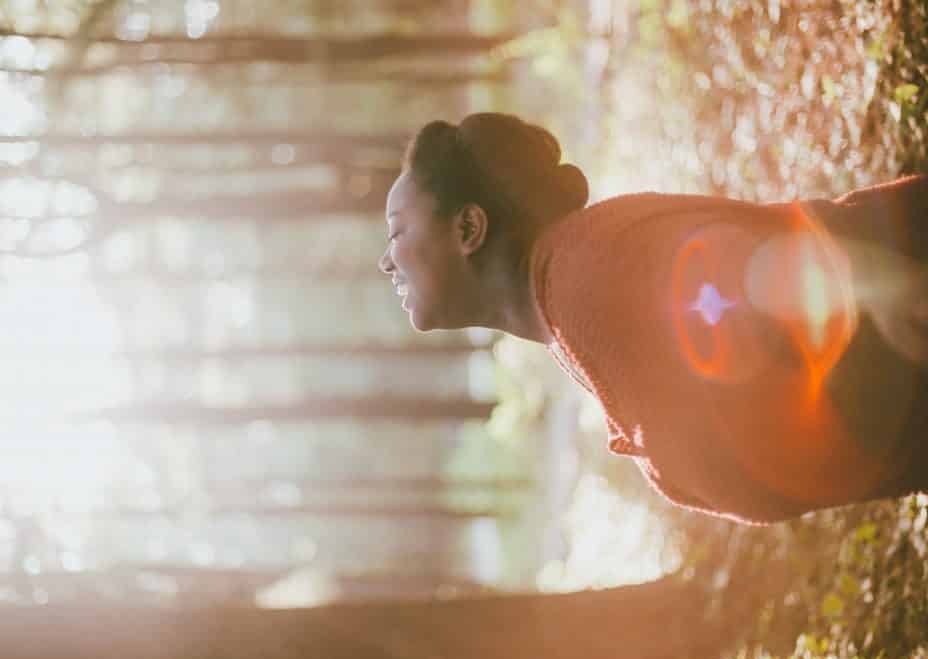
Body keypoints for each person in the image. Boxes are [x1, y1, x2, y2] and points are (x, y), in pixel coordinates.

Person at [379, 112, 927, 525]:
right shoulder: (569, 307)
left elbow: (757, 267)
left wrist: (893, 284)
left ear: (469, 228)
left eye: (398, 231)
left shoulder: (587, 273)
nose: (387, 259)